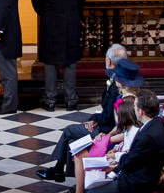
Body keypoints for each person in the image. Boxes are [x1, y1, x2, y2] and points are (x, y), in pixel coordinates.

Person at [37, 53, 140, 185]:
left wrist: (103, 132)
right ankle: (72, 180)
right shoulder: (120, 92)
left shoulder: (125, 99)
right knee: (73, 139)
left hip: (108, 131)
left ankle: (66, 176)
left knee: (70, 131)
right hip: (109, 129)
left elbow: (117, 122)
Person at [82, 89, 164, 193]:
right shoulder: (153, 125)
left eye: (135, 106)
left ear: (140, 111)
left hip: (138, 183)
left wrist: (115, 166)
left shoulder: (148, 135)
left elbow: (130, 161)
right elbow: (134, 157)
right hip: (139, 173)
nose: (133, 109)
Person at [31, 0, 85, 112]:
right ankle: (71, 100)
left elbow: (36, 3)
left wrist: (47, 15)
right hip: (71, 25)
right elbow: (81, 2)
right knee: (70, 62)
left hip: (50, 26)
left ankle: (50, 99)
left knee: (50, 62)